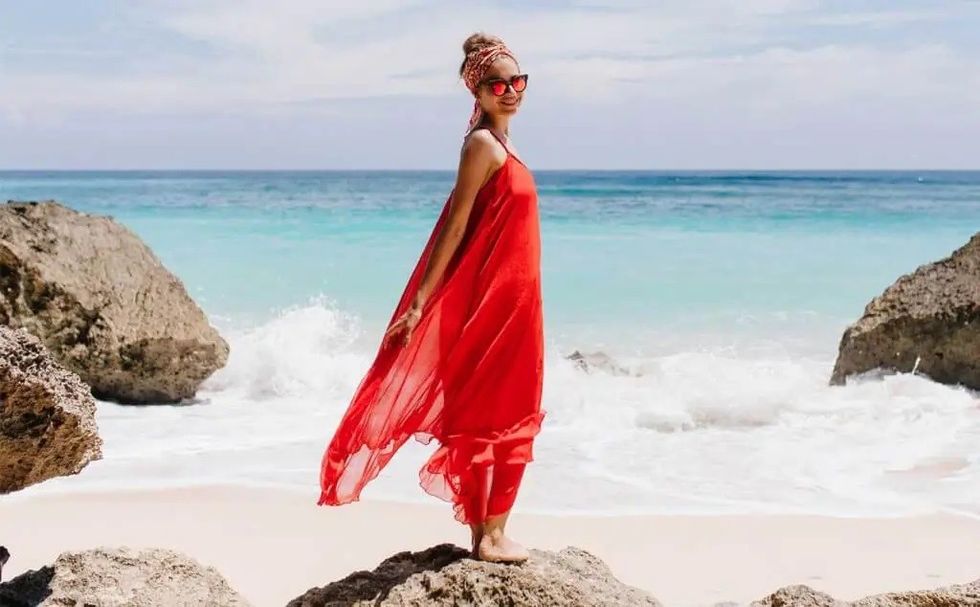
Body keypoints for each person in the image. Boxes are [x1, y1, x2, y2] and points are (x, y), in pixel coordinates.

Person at [318, 31, 544, 564]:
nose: (510, 90)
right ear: (478, 92)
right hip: (494, 304)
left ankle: (489, 532)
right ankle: (490, 536)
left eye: (518, 81)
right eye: (498, 84)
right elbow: (455, 224)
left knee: (509, 408)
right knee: (502, 410)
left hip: (518, 304)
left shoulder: (503, 146)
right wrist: (420, 301)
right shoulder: (483, 146)